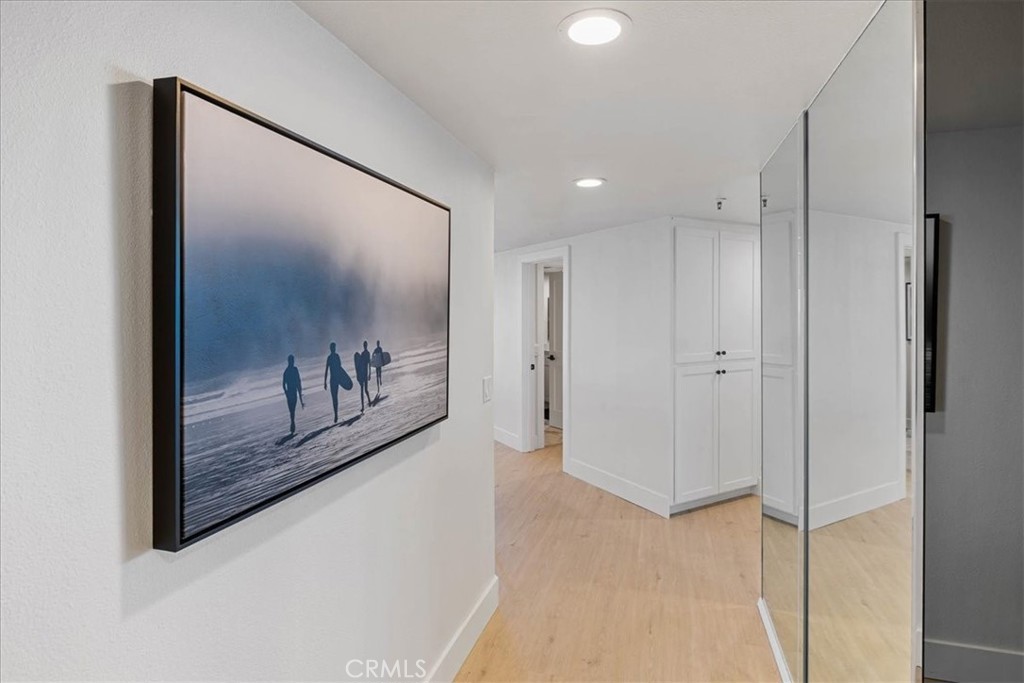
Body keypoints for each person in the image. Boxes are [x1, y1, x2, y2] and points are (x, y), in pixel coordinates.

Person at [282, 354, 304, 434]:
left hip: (291, 393)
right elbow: (298, 382)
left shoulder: (287, 371)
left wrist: (286, 392)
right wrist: (286, 392)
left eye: (292, 360)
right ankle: (292, 423)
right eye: (292, 360)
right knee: (292, 410)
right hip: (292, 393)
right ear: (290, 361)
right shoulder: (292, 370)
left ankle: (292, 423)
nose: (292, 362)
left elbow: (284, 384)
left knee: (292, 410)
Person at [323, 342, 344, 423]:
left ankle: (336, 414)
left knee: (335, 398)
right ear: (331, 348)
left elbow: (340, 369)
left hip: (335, 380)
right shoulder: (331, 357)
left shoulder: (334, 357)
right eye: (333, 348)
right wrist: (324, 382)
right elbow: (326, 370)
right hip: (333, 380)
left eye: (334, 347)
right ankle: (336, 413)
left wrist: (342, 380)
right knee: (334, 398)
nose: (333, 349)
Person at [355, 340, 372, 412]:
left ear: (366, 345)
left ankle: (369, 400)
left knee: (365, 390)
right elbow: (359, 364)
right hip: (362, 374)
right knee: (362, 391)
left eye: (365, 345)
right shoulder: (362, 354)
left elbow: (369, 364)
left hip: (365, 373)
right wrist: (358, 374)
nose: (364, 346)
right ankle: (363, 407)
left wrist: (369, 374)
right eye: (364, 345)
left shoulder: (367, 353)